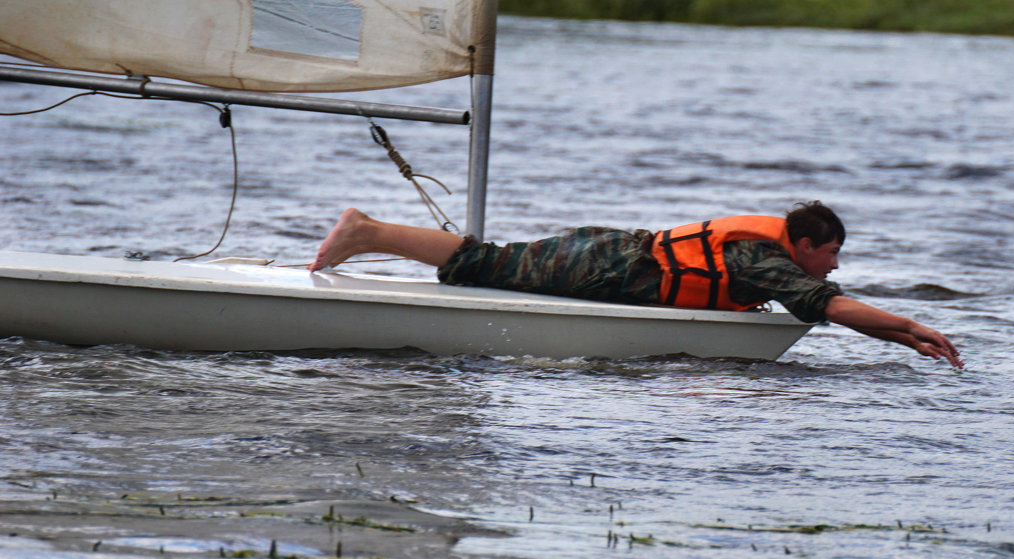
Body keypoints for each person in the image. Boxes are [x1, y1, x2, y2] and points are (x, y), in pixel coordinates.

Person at [308, 202, 963, 369]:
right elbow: (832, 306)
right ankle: (365, 229)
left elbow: (828, 296)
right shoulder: (767, 259)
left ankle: (370, 232)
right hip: (611, 269)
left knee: (487, 258)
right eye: (831, 254)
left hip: (613, 252)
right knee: (484, 263)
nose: (833, 267)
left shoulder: (766, 252)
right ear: (806, 242)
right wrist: (908, 329)